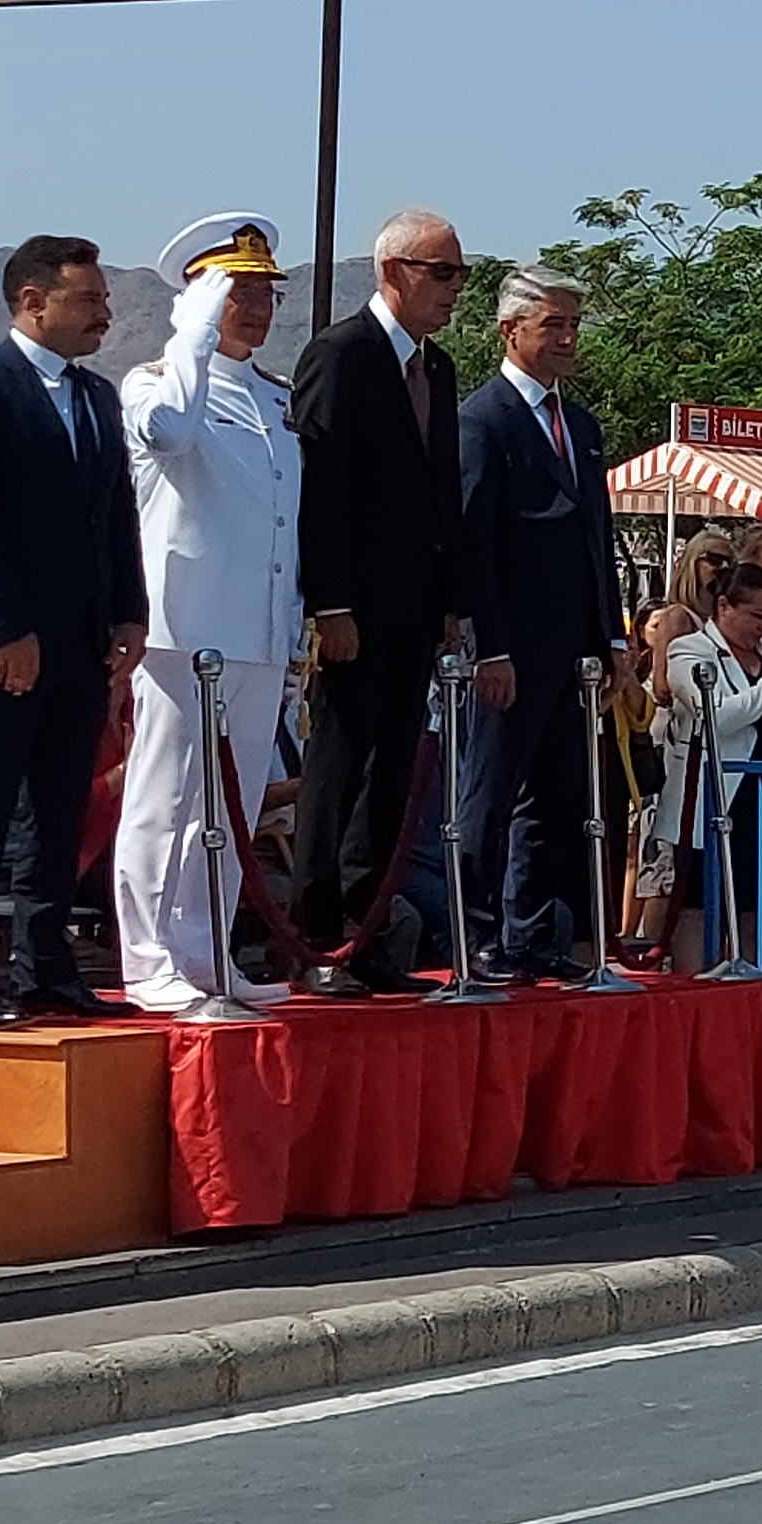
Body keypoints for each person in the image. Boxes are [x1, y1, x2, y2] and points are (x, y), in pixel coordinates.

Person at [0, 233, 144, 1028]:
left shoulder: (94, 396)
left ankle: (45, 964)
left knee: (57, 810)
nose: (104, 317)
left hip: (79, 638)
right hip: (0, 642)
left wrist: (129, 610)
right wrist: (7, 627)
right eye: (89, 300)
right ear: (32, 300)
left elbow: (114, 512)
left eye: (105, 302)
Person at [109, 215, 303, 1014]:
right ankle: (148, 956)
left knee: (234, 803)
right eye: (235, 292)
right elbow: (170, 434)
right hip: (185, 626)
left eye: (262, 292)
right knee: (167, 795)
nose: (254, 307)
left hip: (257, 626)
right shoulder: (155, 382)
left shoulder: (273, 398)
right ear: (195, 298)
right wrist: (189, 337)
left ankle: (205, 951)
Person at [286, 208, 469, 997]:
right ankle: (315, 933)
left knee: (392, 773)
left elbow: (441, 498)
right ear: (392, 271)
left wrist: (449, 603)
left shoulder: (440, 370)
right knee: (337, 767)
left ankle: (367, 929)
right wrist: (330, 602)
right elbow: (321, 489)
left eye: (459, 275)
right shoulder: (342, 354)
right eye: (441, 274)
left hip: (413, 610)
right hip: (354, 607)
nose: (453, 291)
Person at [454, 265, 624, 982]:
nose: (566, 338)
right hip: (510, 648)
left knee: (556, 802)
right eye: (552, 324)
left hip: (574, 651)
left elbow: (596, 534)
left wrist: (613, 637)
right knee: (489, 796)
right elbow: (471, 541)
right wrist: (488, 644)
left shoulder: (578, 425)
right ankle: (479, 935)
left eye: (573, 325)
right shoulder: (482, 419)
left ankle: (532, 932)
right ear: (510, 329)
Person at [655, 563, 762, 973]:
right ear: (724, 606)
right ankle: (693, 992)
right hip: (715, 796)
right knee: (698, 902)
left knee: (753, 902)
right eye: (755, 616)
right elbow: (717, 719)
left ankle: (748, 985)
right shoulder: (689, 649)